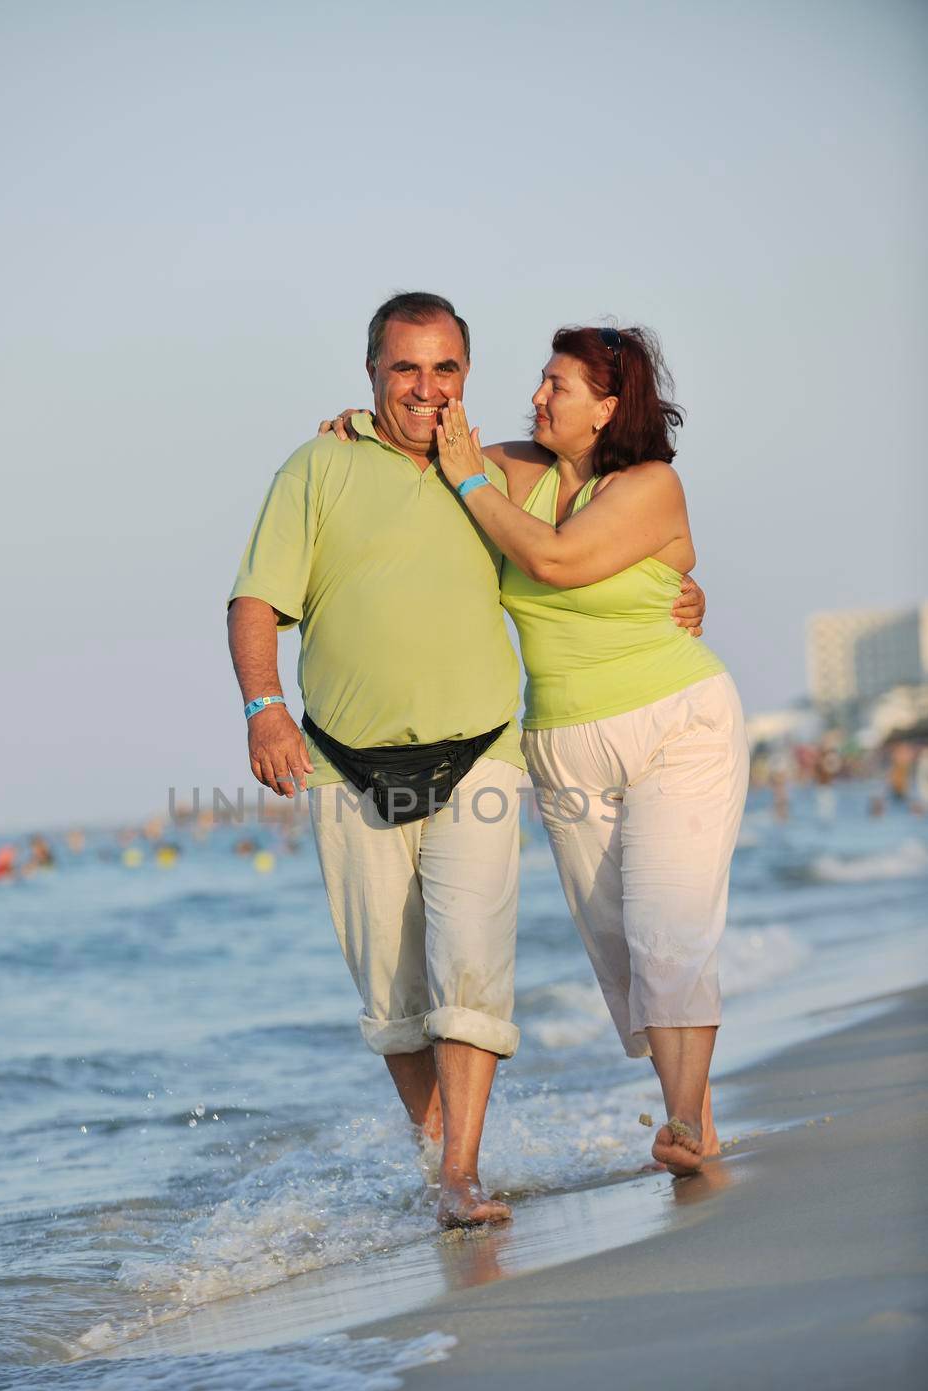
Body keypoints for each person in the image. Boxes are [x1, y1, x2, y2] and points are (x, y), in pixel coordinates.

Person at [230, 296, 705, 1223]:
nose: (424, 388)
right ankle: (439, 1150)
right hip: (341, 763)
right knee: (393, 998)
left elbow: (601, 519)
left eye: (443, 370)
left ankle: (460, 1175)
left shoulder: (492, 470)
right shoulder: (316, 465)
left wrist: (680, 584)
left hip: (481, 757)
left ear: (464, 378)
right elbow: (255, 602)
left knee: (472, 969)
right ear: (371, 372)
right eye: (406, 368)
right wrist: (263, 709)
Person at [430, 326, 749, 1175]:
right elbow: (421, 446)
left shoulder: (649, 483)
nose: (536, 397)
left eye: (556, 386)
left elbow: (559, 561)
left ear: (608, 409)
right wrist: (351, 427)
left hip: (676, 723)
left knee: (668, 929)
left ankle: (679, 1125)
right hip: (564, 744)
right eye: (540, 381)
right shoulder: (524, 475)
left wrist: (467, 478)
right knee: (619, 950)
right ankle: (698, 1122)